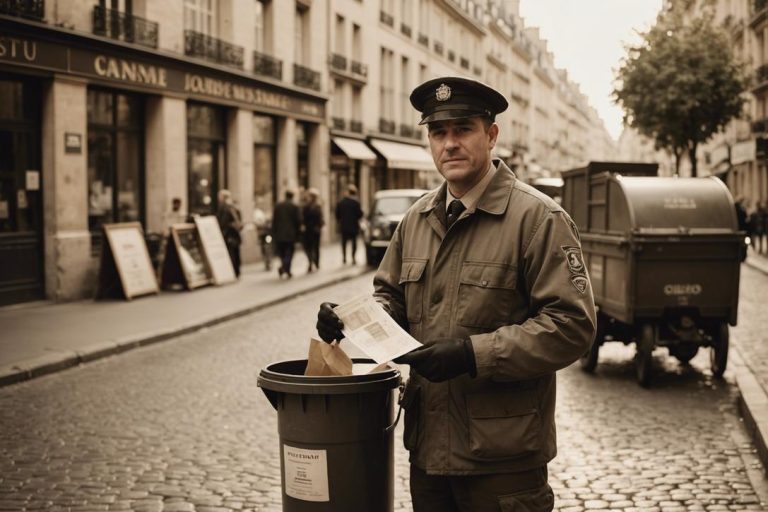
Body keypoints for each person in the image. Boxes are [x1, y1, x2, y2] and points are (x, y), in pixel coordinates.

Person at [316, 77, 596, 511]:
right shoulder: (417, 218)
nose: (449, 143)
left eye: (462, 129)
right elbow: (390, 298)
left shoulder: (538, 219)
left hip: (503, 461)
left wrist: (472, 354)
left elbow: (572, 327)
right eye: (438, 132)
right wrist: (350, 318)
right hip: (429, 453)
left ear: (491, 134)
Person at [272, 189, 302, 278]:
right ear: (292, 196)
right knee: (289, 252)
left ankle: (286, 268)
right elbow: (298, 221)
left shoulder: (278, 206)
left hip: (279, 233)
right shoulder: (294, 206)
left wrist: (274, 231)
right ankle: (285, 268)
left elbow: (274, 220)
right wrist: (298, 233)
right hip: (290, 234)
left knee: (282, 252)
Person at [216, 189, 243, 278]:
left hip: (229, 234)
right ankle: (237, 271)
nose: (218, 199)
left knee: (231, 253)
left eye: (219, 197)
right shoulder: (234, 207)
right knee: (235, 252)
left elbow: (223, 223)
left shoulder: (225, 208)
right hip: (235, 234)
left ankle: (233, 271)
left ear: (223, 197)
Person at [335, 184, 363, 264]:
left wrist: (340, 221)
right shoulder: (356, 202)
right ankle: (353, 257)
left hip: (344, 225)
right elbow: (360, 214)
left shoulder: (341, 202)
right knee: (354, 242)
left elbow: (337, 215)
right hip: (354, 225)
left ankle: (344, 257)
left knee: (344, 242)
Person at [302, 188, 324, 272]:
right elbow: (303, 218)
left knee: (316, 247)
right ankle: (311, 262)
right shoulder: (306, 206)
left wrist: (319, 226)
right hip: (308, 230)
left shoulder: (318, 206)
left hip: (315, 230)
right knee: (309, 247)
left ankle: (316, 262)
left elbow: (321, 218)